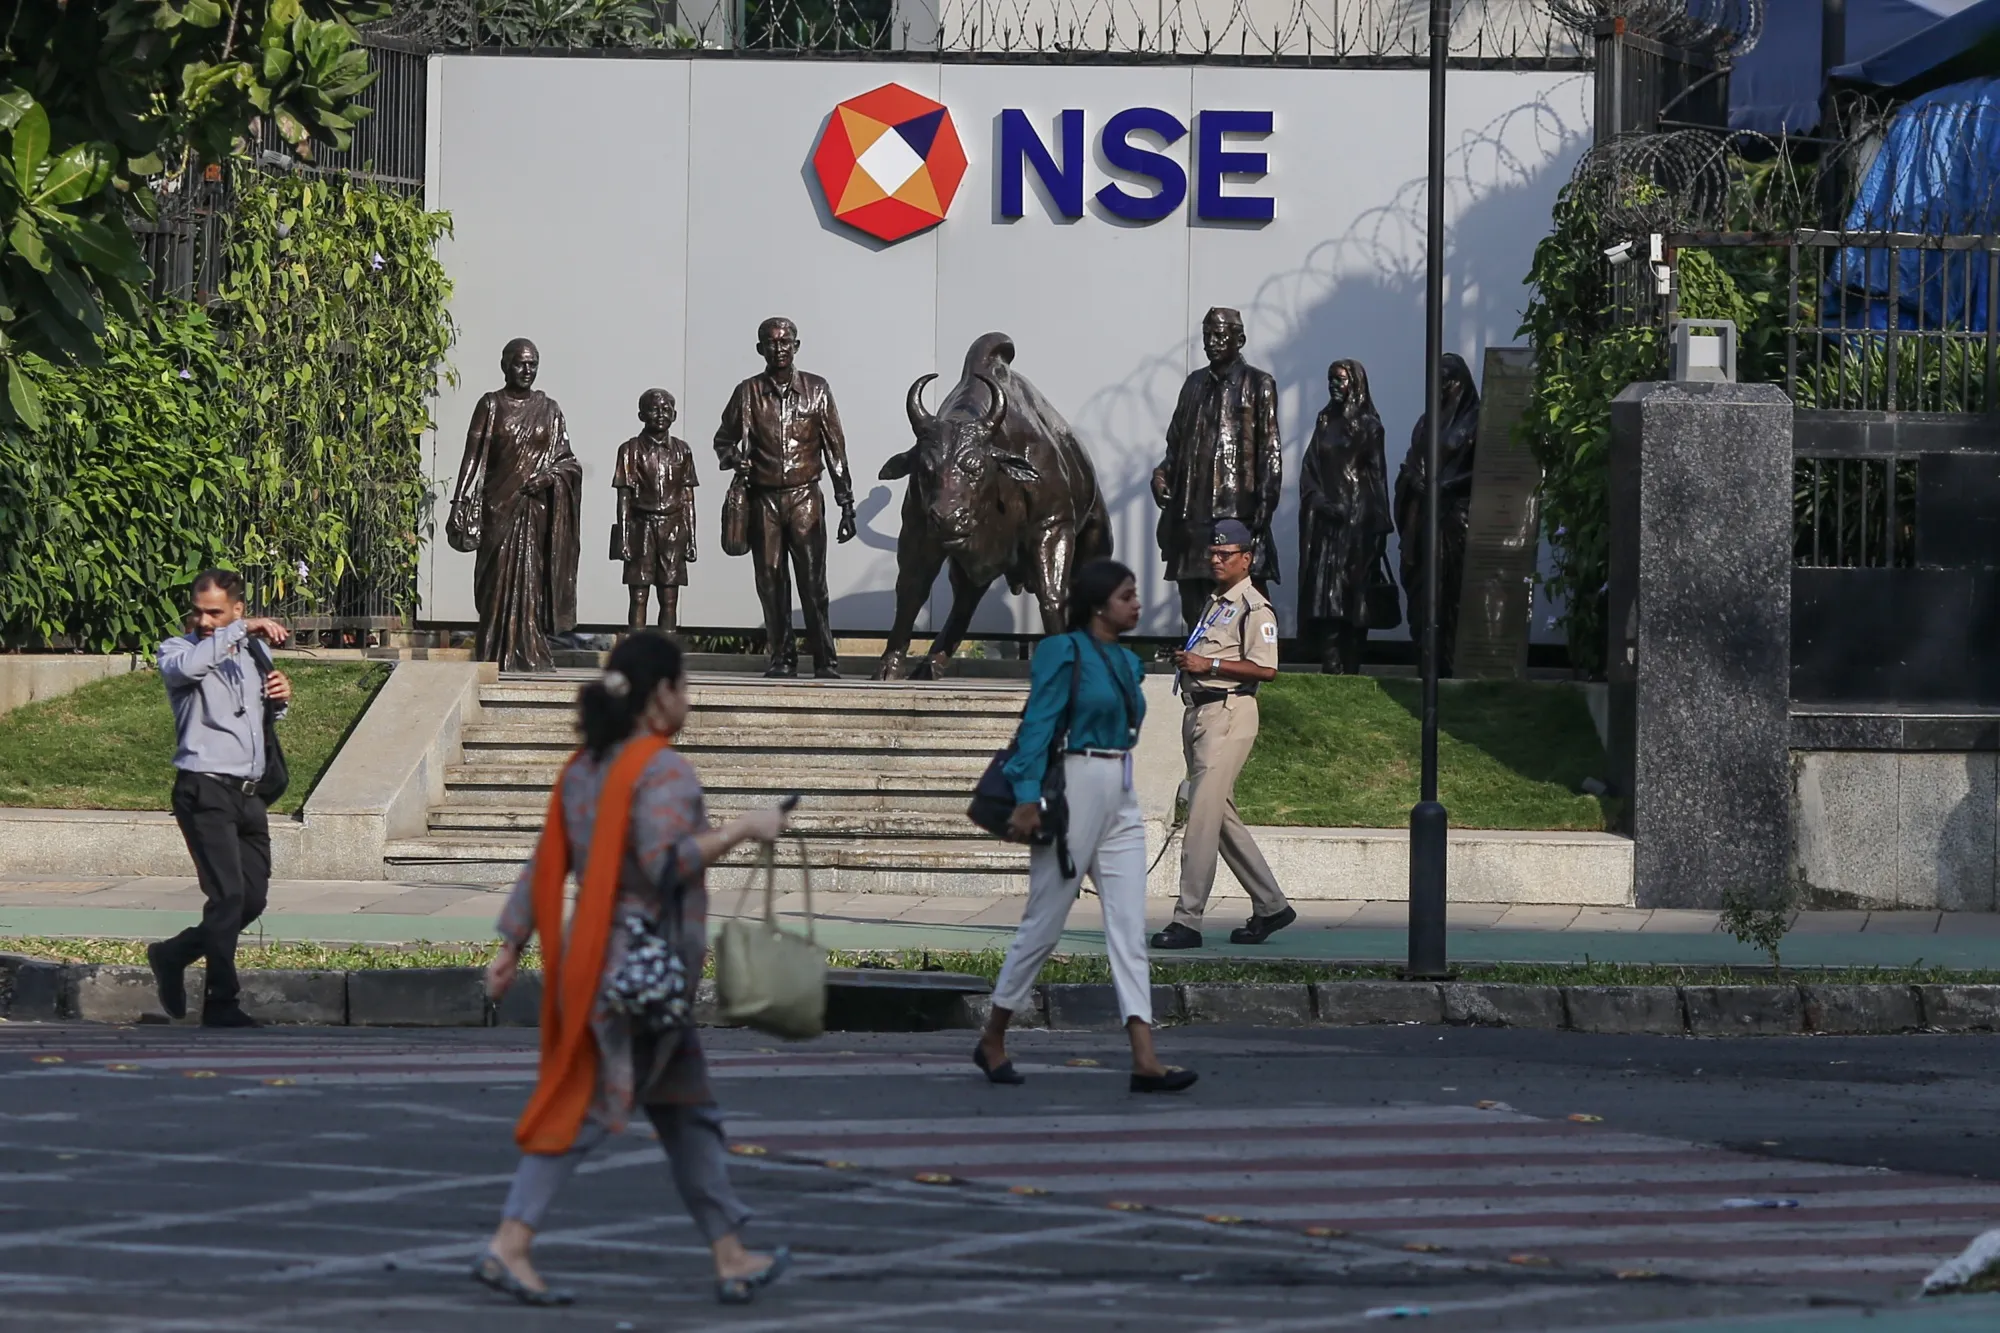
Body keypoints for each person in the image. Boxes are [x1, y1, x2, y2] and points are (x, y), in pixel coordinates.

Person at [476, 632, 794, 1308]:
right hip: (639, 978)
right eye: (683, 685)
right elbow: (666, 861)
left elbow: (543, 861)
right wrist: (743, 827)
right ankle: (511, 1241)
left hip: (602, 963)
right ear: (659, 697)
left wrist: (510, 942)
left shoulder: (584, 766)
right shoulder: (663, 770)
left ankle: (731, 1251)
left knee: (688, 1113)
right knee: (591, 1107)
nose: (689, 698)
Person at [975, 559, 1198, 1095]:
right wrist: (1027, 798)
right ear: (1099, 604)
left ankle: (1145, 1057)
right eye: (1127, 596)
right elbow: (1038, 725)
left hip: (1120, 790)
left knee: (1128, 929)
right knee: (1044, 923)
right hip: (1072, 788)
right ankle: (994, 1036)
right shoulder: (1063, 651)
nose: (1137, 604)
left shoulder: (1125, 660)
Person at [145, 569, 292, 1028]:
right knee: (226, 896)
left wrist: (281, 698)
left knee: (251, 902)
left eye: (216, 612)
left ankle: (172, 954)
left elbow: (258, 719)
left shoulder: (253, 651)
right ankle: (222, 1003)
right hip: (203, 788)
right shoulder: (178, 650)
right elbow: (190, 669)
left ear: (237, 607)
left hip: (249, 794)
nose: (205, 620)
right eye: (199, 610)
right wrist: (236, 631)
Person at [1151, 520, 1296, 951]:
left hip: (1229, 713)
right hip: (1200, 714)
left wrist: (1209, 667)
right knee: (1220, 817)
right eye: (1213, 554)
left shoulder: (1255, 607)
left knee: (1201, 817)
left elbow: (1266, 669)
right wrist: (1190, 660)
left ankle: (1188, 920)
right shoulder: (1217, 603)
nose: (1216, 560)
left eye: (1225, 554)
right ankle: (1271, 906)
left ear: (1246, 559)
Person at [712, 317, 857, 678]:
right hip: (764, 500)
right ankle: (782, 657)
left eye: (785, 342)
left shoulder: (817, 390)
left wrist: (846, 503)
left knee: (812, 581)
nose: (779, 348)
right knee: (770, 579)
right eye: (771, 343)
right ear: (760, 349)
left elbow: (835, 449)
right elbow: (722, 441)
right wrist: (733, 459)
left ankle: (825, 657)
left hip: (805, 496)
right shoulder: (747, 392)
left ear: (796, 346)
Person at [448, 337, 584, 673]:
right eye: (521, 363)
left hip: (534, 511)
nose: (527, 370)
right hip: (498, 508)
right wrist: (459, 502)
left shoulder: (549, 409)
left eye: (533, 364)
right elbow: (473, 458)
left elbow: (568, 461)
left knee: (531, 582)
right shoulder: (491, 405)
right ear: (505, 365)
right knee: (494, 583)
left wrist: (549, 478)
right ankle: (494, 650)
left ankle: (529, 649)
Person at [1152, 307, 1283, 630]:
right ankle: (1200, 664)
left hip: (1237, 512)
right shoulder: (1194, 384)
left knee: (1245, 596)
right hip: (1192, 511)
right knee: (1194, 597)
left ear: (1240, 339)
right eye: (1207, 335)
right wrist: (1161, 476)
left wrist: (1264, 509)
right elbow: (1175, 446)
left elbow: (1270, 451)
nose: (1212, 342)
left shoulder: (1258, 383)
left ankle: (1249, 663)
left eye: (1220, 335)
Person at [1299, 359, 1393, 675]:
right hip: (1328, 521)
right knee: (1326, 593)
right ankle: (1330, 662)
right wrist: (1320, 501)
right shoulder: (1324, 421)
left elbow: (1378, 477)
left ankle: (1351, 666)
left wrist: (1381, 525)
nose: (1334, 386)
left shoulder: (1369, 427)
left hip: (1358, 521)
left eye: (1339, 380)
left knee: (1355, 594)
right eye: (1330, 380)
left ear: (1355, 383)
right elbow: (1310, 467)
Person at [1395, 351, 1481, 677]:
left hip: (1456, 521)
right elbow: (1411, 462)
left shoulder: (1475, 420)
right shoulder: (1426, 421)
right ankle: (1426, 662)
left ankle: (1452, 665)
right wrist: (1412, 480)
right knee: (1423, 592)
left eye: (1445, 380)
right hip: (1423, 519)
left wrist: (1445, 485)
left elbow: (1484, 471)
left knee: (1452, 593)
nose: (1440, 388)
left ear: (1459, 382)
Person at [612, 388, 699, 634]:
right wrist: (625, 539)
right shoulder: (629, 450)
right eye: (654, 409)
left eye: (665, 409)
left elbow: (688, 498)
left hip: (673, 530)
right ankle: (636, 654)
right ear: (642, 414)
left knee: (669, 597)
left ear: (674, 414)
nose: (660, 414)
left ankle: (666, 655)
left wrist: (691, 539)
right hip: (641, 527)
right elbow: (623, 497)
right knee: (638, 595)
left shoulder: (683, 450)